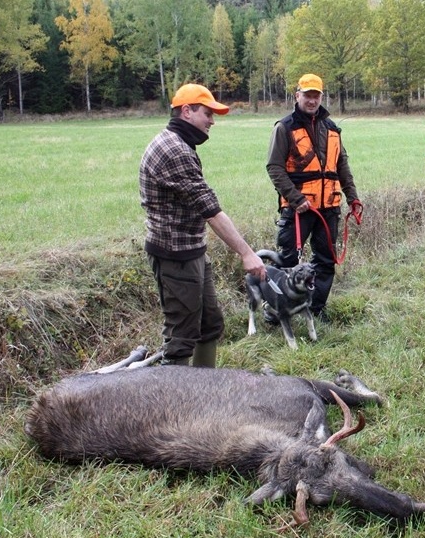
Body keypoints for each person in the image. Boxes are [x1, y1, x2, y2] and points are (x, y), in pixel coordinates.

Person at [139, 83, 267, 367]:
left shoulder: (179, 143)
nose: (212, 121)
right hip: (175, 256)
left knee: (210, 325)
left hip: (192, 251)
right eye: (208, 113)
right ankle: (177, 406)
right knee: (181, 338)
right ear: (186, 111)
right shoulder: (174, 150)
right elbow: (210, 210)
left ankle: (203, 390)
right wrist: (246, 253)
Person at [266, 73, 362, 321]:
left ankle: (315, 309)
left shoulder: (332, 129)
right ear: (297, 95)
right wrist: (296, 199)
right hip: (298, 209)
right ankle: (276, 310)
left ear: (321, 96)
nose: (311, 100)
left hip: (329, 206)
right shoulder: (284, 127)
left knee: (326, 261)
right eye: (307, 95)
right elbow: (274, 168)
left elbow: (341, 166)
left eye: (316, 95)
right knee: (287, 261)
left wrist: (352, 197)